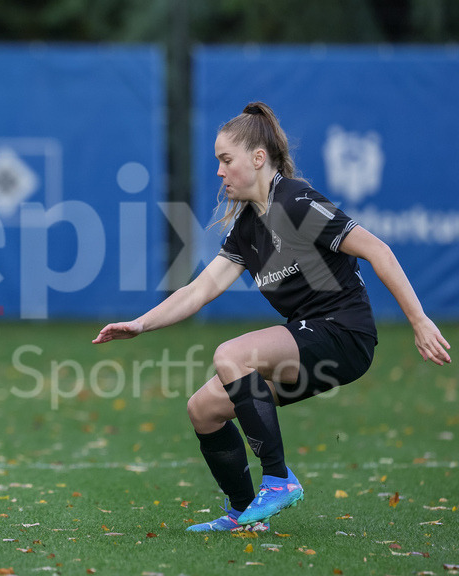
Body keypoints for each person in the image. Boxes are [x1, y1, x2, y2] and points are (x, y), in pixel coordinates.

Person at [93, 102, 451, 532]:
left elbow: (379, 250)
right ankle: (246, 516)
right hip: (308, 340)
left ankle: (278, 478)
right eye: (217, 162)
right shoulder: (247, 227)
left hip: (344, 334)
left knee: (231, 355)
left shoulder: (296, 202)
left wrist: (419, 320)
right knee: (203, 408)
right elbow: (198, 290)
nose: (220, 172)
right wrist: (140, 324)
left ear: (258, 158)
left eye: (226, 160)